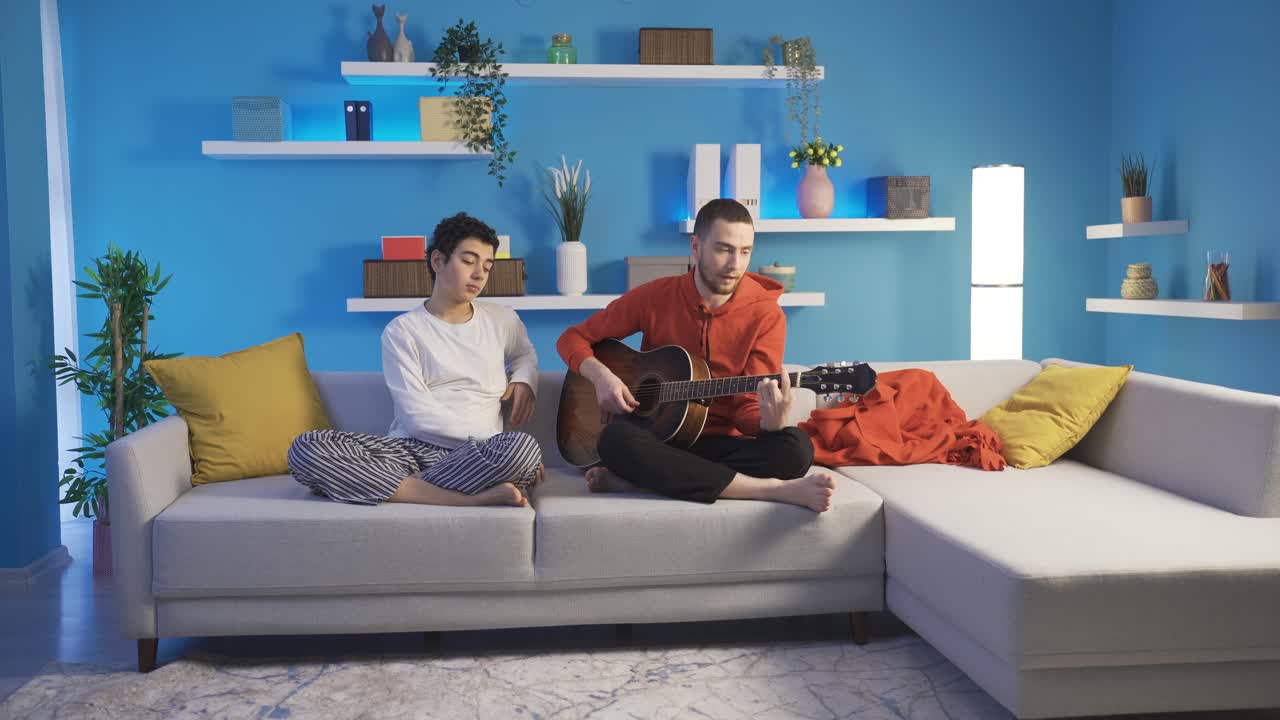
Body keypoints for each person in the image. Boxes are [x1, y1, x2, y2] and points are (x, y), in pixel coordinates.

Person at [556, 198, 837, 512]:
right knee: (613, 441)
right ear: (695, 246)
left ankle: (638, 480)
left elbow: (745, 409)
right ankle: (768, 490)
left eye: (745, 252)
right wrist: (601, 377)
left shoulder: (766, 315)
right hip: (655, 439)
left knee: (796, 450)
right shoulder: (655, 296)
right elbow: (572, 338)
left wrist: (770, 423)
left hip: (720, 445)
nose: (736, 265)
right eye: (723, 249)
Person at [289, 212, 543, 507]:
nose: (479, 275)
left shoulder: (502, 319)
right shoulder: (402, 330)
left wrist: (524, 379)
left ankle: (399, 490)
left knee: (523, 450)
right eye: (469, 261)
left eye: (487, 266)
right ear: (438, 261)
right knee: (305, 448)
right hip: (407, 450)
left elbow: (525, 353)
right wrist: (489, 438)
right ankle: (459, 499)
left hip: (472, 456)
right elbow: (417, 417)